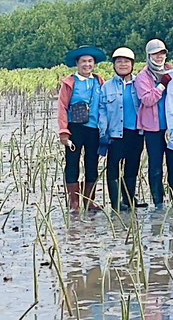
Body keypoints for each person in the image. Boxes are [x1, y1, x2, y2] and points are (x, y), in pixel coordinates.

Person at [57, 45, 107, 213]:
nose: (87, 64)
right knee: (72, 164)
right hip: (74, 129)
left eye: (90, 61)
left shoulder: (99, 81)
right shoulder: (69, 83)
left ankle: (89, 200)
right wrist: (64, 132)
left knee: (92, 163)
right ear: (77, 63)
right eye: (83, 61)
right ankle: (74, 203)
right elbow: (62, 108)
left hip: (94, 129)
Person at [134, 39, 173, 208]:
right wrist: (162, 86)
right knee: (155, 166)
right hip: (152, 129)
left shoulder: (172, 71)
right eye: (155, 54)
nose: (159, 57)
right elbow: (147, 100)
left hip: (172, 127)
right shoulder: (142, 77)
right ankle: (158, 201)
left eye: (162, 53)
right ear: (148, 56)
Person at [99, 47, 145, 212]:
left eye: (126, 61)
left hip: (135, 132)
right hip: (115, 133)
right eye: (119, 61)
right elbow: (102, 110)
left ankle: (129, 198)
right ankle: (116, 203)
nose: (123, 64)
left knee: (132, 166)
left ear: (132, 64)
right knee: (113, 167)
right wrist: (103, 132)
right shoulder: (106, 87)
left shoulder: (139, 83)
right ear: (114, 65)